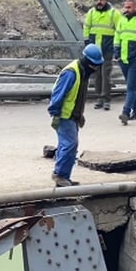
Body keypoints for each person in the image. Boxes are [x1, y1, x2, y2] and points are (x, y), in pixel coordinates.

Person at [47, 44, 104, 187]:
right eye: (94, 65)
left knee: (69, 145)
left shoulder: (83, 72)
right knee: (69, 145)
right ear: (87, 61)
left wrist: (79, 114)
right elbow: (58, 94)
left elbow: (78, 96)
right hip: (64, 116)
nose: (95, 68)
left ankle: (64, 176)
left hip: (72, 116)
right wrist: (55, 113)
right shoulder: (71, 73)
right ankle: (60, 175)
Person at [83, 0, 120, 111]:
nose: (99, 2)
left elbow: (119, 30)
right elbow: (86, 27)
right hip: (95, 50)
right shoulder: (91, 13)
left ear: (106, 0)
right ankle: (99, 98)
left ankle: (106, 99)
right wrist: (87, 42)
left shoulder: (114, 13)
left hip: (107, 49)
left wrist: (116, 46)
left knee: (106, 75)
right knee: (97, 75)